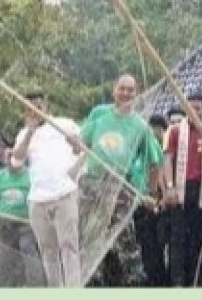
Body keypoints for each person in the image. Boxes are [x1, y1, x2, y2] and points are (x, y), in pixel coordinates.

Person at [80, 74, 164, 287]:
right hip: (93, 183)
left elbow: (156, 161)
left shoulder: (140, 126)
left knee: (124, 239)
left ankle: (133, 282)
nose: (126, 93)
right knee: (91, 235)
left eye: (131, 90)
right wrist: (75, 142)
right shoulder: (98, 114)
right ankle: (93, 281)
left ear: (136, 94)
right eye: (122, 88)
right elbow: (82, 144)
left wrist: (151, 193)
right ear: (114, 91)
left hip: (121, 186)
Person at [12, 91, 81, 287]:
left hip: (64, 194)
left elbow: (81, 148)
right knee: (48, 250)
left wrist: (76, 148)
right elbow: (17, 159)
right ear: (26, 110)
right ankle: (55, 288)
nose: (36, 111)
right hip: (38, 200)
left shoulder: (64, 124)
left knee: (69, 247)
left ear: (45, 106)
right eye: (31, 108)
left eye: (39, 107)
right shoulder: (23, 133)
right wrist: (30, 131)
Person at [164, 92, 202, 286]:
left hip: (201, 191)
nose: (194, 112)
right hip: (180, 189)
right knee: (177, 238)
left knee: (198, 238)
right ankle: (177, 280)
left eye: (198, 108)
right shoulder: (175, 131)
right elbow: (167, 158)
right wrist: (169, 187)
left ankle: (197, 279)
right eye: (190, 108)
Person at [0, 147, 44, 287]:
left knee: (29, 253)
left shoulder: (32, 176)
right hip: (5, 227)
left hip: (26, 226)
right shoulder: (0, 176)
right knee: (3, 263)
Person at [133, 114, 169, 287]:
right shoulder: (137, 148)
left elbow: (158, 170)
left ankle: (157, 281)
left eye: (158, 129)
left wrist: (155, 195)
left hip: (151, 201)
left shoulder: (154, 147)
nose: (154, 133)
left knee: (153, 245)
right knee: (144, 244)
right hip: (136, 201)